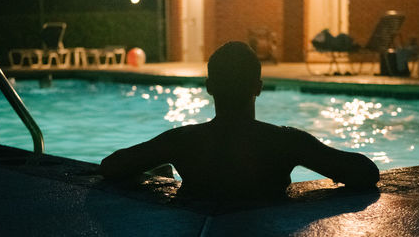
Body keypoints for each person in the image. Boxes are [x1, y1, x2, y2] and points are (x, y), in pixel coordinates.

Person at [99, 41, 379, 200]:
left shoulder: (182, 141)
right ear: (258, 87)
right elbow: (365, 172)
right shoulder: (286, 141)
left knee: (159, 169)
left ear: (209, 87)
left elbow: (112, 166)